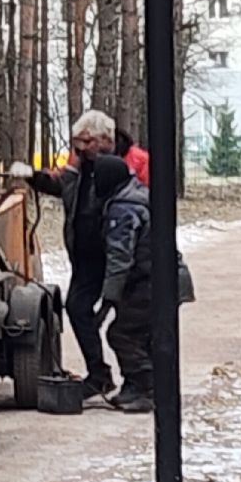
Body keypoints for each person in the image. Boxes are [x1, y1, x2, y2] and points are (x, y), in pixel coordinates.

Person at [12, 109, 118, 396]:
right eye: (77, 142)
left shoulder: (117, 168)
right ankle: (99, 374)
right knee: (78, 308)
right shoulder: (81, 166)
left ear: (104, 139)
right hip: (87, 259)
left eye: (86, 141)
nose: (79, 148)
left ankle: (143, 384)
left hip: (118, 258)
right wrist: (33, 177)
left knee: (128, 324)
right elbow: (62, 186)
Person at [93, 154, 153, 413]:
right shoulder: (137, 194)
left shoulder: (123, 208)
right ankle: (141, 385)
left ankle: (144, 387)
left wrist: (109, 299)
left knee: (121, 334)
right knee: (144, 335)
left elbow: (120, 258)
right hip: (160, 278)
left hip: (148, 281)